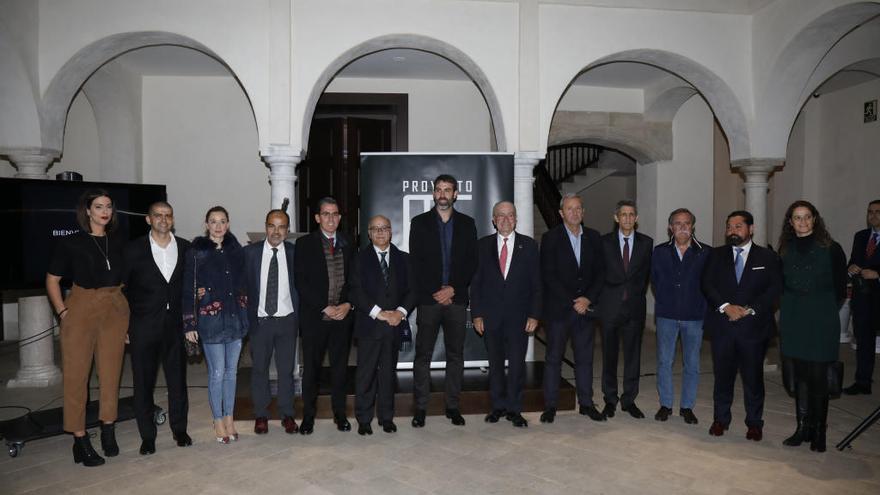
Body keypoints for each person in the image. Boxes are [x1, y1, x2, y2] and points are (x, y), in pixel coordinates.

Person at [46, 189, 129, 466]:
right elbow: (52, 279)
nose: (104, 211)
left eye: (108, 206)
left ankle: (108, 429)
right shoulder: (71, 243)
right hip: (81, 307)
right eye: (98, 206)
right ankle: (80, 439)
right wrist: (63, 312)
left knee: (110, 373)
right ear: (88, 211)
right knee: (76, 376)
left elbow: (124, 279)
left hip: (114, 308)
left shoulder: (118, 242)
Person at [701, 210, 782, 441]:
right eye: (729, 226)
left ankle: (755, 423)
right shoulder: (716, 255)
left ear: (751, 229)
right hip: (723, 326)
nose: (732, 230)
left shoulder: (767, 257)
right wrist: (726, 306)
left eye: (738, 226)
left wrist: (748, 309)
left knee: (753, 378)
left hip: (754, 328)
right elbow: (707, 284)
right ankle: (720, 419)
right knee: (722, 377)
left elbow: (774, 289)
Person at [122, 201, 192, 456]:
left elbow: (189, 286)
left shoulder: (185, 247)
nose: (163, 219)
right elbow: (123, 291)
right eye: (158, 215)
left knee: (178, 382)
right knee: (143, 384)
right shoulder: (132, 250)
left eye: (168, 215)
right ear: (148, 219)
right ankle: (148, 436)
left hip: (175, 328)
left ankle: (180, 430)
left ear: (172, 219)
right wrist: (127, 326)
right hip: (143, 327)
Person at [777, 201, 847, 452]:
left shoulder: (831, 249)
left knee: (819, 378)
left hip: (821, 320)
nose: (803, 222)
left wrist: (820, 307)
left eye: (807, 217)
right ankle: (802, 427)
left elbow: (841, 289)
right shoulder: (785, 248)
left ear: (815, 219)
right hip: (793, 319)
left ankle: (819, 431)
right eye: (797, 218)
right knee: (800, 377)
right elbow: (781, 284)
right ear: (790, 222)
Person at [409, 174, 478, 427]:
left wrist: (453, 289)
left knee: (455, 356)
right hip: (428, 301)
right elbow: (416, 263)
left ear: (455, 194)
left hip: (457, 301)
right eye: (438, 190)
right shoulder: (419, 223)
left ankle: (452, 406)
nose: (442, 194)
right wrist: (437, 292)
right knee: (422, 356)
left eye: (447, 190)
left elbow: (472, 262)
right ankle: (420, 408)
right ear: (433, 193)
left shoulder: (468, 224)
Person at [471, 201, 541, 427]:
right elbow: (477, 284)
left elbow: (536, 285)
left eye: (510, 215)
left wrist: (534, 314)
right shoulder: (482, 246)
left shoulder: (529, 246)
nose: (505, 219)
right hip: (491, 317)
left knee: (518, 366)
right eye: (500, 216)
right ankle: (498, 406)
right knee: (496, 364)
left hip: (520, 318)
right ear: (493, 220)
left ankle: (515, 409)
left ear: (516, 219)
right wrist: (477, 314)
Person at [182, 206, 248, 444]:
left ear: (228, 224)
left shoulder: (235, 250)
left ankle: (230, 418)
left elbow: (244, 282)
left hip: (235, 319)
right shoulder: (197, 252)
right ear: (206, 224)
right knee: (217, 373)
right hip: (211, 321)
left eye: (222, 221)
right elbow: (188, 288)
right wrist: (189, 323)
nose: (218, 226)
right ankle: (217, 420)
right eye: (213, 221)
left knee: (232, 373)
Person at [539, 193, 604, 423]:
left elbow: (600, 273)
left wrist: (587, 299)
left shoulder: (595, 238)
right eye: (569, 209)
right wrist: (572, 301)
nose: (574, 213)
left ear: (583, 212)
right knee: (554, 358)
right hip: (558, 310)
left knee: (585, 359)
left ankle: (586, 403)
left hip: (586, 310)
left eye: (578, 208)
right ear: (561, 213)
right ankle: (550, 406)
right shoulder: (550, 238)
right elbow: (549, 275)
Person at [349, 215, 416, 435]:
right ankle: (364, 419)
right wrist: (378, 313)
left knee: (388, 374)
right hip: (370, 326)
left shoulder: (404, 259)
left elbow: (412, 290)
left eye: (384, 228)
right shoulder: (359, 259)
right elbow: (355, 290)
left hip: (394, 326)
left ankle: (387, 418)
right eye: (375, 229)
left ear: (391, 231)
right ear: (368, 233)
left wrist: (400, 312)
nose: (380, 232)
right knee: (365, 374)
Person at [294, 197, 355, 434]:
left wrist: (348, 304)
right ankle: (308, 416)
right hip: (315, 318)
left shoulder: (349, 242)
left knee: (340, 369)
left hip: (342, 317)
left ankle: (340, 415)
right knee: (312, 370)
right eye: (326, 214)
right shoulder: (304, 244)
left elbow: (354, 279)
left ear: (339, 218)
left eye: (335, 214)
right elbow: (302, 282)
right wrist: (324, 306)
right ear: (317, 218)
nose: (331, 218)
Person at [650, 208, 710, 425]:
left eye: (686, 223)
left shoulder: (705, 252)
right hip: (666, 315)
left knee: (691, 364)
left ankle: (687, 407)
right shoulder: (659, 252)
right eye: (678, 223)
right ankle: (665, 404)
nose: (682, 227)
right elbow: (655, 282)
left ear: (692, 226)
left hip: (694, 317)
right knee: (665, 361)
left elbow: (709, 284)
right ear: (670, 227)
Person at [243, 209, 299, 435]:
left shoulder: (296, 253)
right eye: (272, 226)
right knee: (259, 370)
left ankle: (287, 413)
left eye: (281, 227)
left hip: (287, 320)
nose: (276, 231)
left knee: (286, 371)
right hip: (260, 321)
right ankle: (261, 415)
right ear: (265, 226)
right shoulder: (250, 253)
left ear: (287, 230)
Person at [598, 200, 653, 419]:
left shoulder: (646, 243)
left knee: (633, 356)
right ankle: (610, 399)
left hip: (635, 308)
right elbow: (599, 274)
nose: (628, 218)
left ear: (636, 218)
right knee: (609, 356)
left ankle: (629, 400)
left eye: (631, 215)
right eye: (623, 214)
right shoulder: (604, 243)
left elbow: (646, 274)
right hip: (610, 308)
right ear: (616, 218)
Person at [843, 199, 880, 395]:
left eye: (877, 212)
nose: (873, 215)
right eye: (870, 212)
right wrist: (851, 268)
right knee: (864, 341)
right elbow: (853, 261)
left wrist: (878, 275)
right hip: (863, 298)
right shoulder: (861, 236)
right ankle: (862, 382)